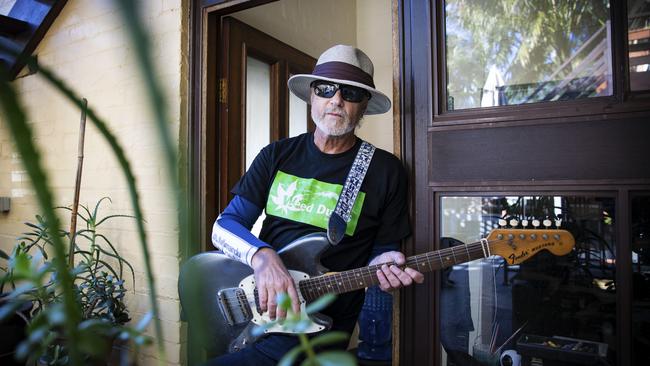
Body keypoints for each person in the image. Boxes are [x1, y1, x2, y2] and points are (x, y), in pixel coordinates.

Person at [207, 44, 424, 366]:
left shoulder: (385, 169)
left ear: (364, 107)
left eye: (350, 93)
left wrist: (387, 261)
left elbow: (384, 249)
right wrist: (264, 258)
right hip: (254, 304)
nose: (336, 100)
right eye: (325, 89)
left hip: (319, 324)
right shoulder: (276, 155)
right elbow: (225, 225)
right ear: (312, 96)